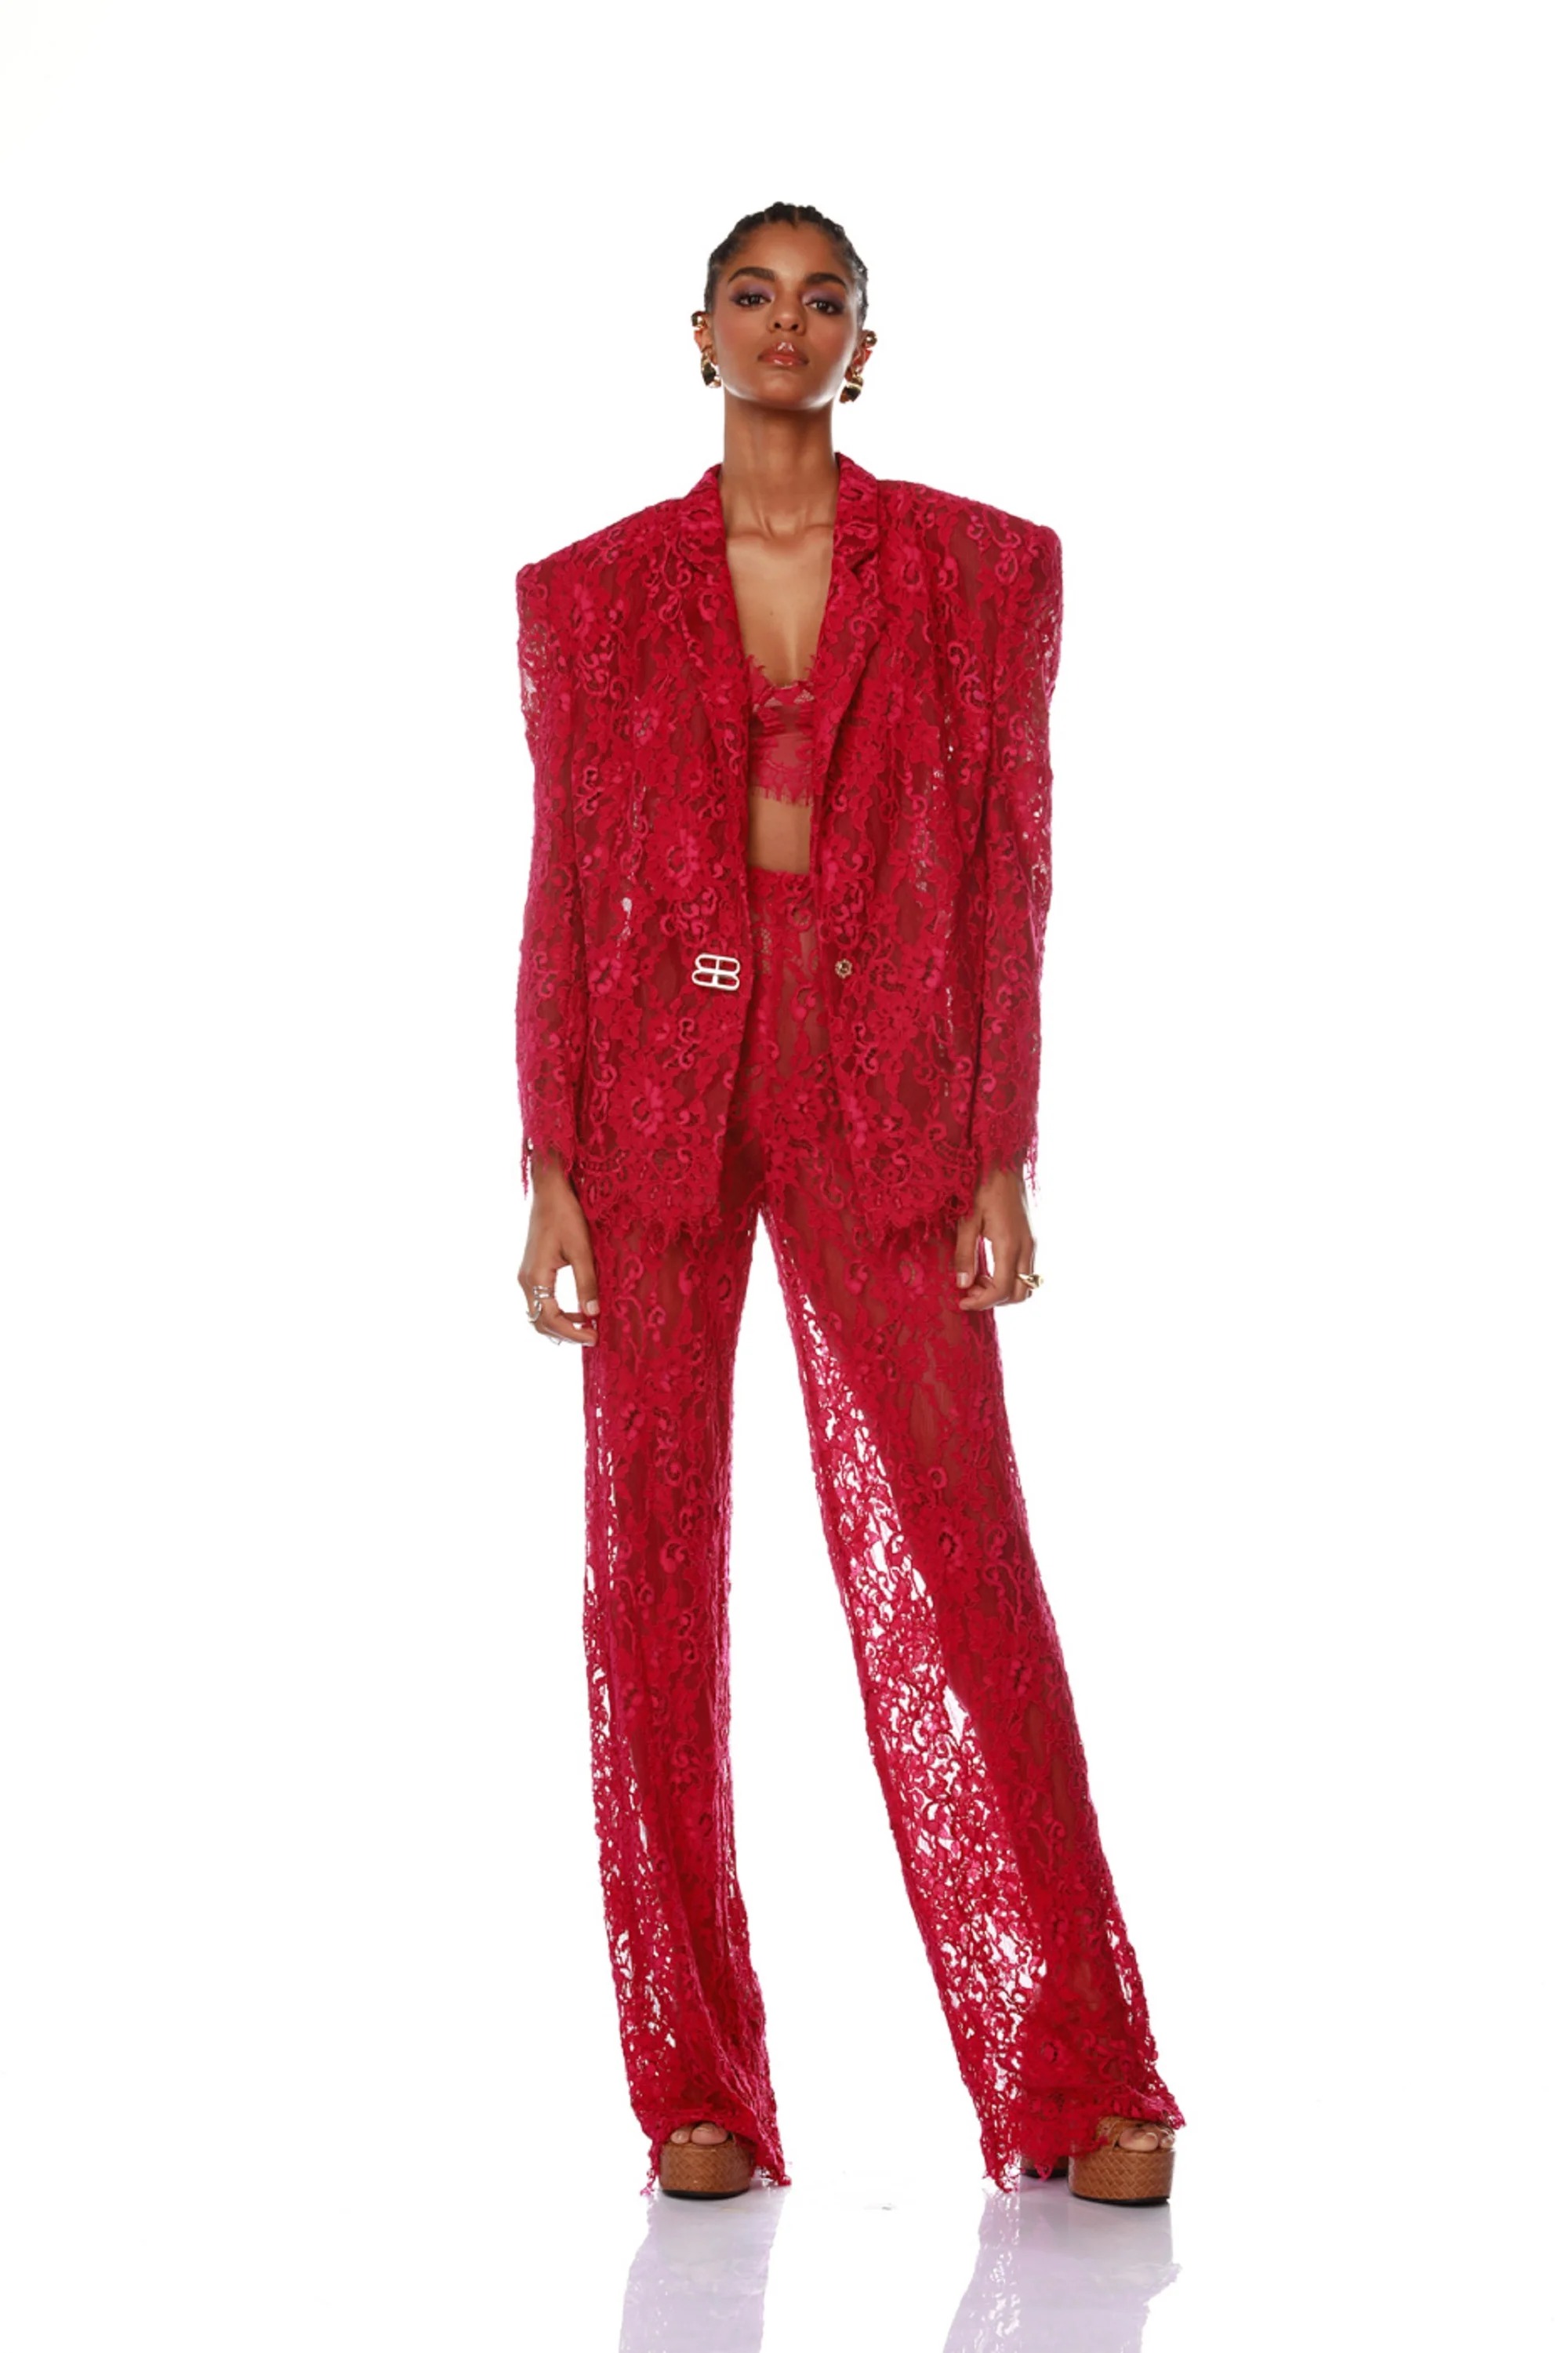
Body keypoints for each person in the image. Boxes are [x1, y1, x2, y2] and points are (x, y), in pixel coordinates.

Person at [512, 201, 1185, 2205]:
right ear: (697, 332)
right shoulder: (583, 595)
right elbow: (561, 878)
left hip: (881, 1091)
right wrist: (547, 1155)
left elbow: (1014, 863)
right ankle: (696, 2084)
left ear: (865, 349)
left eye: (823, 302)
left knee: (963, 1561)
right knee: (649, 1580)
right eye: (753, 296)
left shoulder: (986, 571)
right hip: (656, 1096)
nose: (786, 327)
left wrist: (1001, 1144)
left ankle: (1089, 2063)